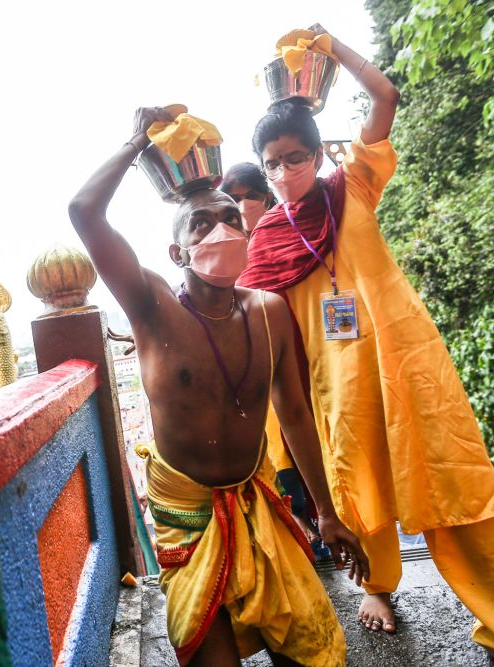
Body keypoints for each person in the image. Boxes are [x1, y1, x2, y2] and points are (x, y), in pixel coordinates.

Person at [238, 25, 494, 667]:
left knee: (455, 490)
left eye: (295, 157)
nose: (284, 171)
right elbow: (249, 320)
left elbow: (385, 98)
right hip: (336, 387)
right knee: (358, 492)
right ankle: (376, 586)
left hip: (405, 365)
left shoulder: (352, 188)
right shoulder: (264, 241)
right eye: (272, 163)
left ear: (319, 155)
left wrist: (334, 50)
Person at [69, 106, 370, 667]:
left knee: (314, 649)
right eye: (201, 224)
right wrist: (138, 141)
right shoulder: (152, 307)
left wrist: (326, 512)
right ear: (176, 253)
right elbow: (84, 212)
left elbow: (297, 415)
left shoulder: (270, 311)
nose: (221, 230)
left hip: (258, 501)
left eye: (232, 218)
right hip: (189, 516)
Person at [222, 166, 321, 549]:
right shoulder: (224, 248)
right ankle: (296, 515)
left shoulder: (291, 230)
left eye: (250, 194)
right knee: (274, 438)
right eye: (233, 197)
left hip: (307, 344)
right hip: (257, 358)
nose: (243, 204)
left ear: (267, 197)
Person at [220, 162, 277, 236]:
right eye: (235, 199)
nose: (243, 206)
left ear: (268, 199)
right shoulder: (224, 239)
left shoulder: (285, 231)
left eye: (251, 196)